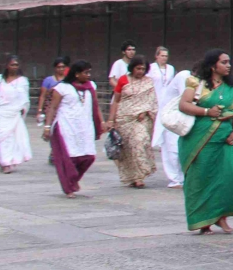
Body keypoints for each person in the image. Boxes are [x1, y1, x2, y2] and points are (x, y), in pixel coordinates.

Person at [177, 50, 233, 234]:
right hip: (200, 140)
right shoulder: (197, 83)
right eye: (224, 62)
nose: (228, 65)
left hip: (225, 139)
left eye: (229, 62)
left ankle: (221, 215)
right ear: (212, 66)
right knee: (202, 179)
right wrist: (207, 112)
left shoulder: (232, 88)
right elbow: (183, 105)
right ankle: (205, 221)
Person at [43, 60, 102, 197]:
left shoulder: (91, 87)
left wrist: (102, 122)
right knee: (69, 158)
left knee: (88, 157)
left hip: (85, 127)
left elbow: (96, 105)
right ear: (76, 74)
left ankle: (73, 180)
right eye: (86, 72)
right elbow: (53, 108)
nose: (89, 75)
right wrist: (47, 126)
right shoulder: (62, 88)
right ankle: (69, 187)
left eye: (89, 72)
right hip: (66, 127)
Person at [108, 56, 159, 188]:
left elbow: (152, 101)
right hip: (124, 119)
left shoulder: (148, 82)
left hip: (142, 119)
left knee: (139, 141)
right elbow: (116, 100)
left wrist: (144, 111)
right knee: (128, 148)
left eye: (143, 69)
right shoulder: (123, 80)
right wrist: (111, 120)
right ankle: (134, 177)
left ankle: (140, 175)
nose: (140, 71)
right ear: (132, 68)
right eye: (138, 68)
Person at [0, 55, 32, 173]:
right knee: (1, 137)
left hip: (14, 113)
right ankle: (5, 162)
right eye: (12, 65)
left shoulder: (22, 81)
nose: (14, 67)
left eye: (16, 65)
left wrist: (22, 109)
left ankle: (7, 161)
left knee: (11, 138)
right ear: (7, 66)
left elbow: (25, 99)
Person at [148, 47, 184, 189]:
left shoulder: (171, 69)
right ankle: (174, 177)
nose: (164, 58)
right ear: (156, 56)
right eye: (162, 55)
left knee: (172, 144)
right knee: (166, 142)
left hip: (169, 105)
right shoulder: (151, 68)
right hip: (156, 100)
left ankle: (178, 177)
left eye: (166, 56)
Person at [37, 56, 70, 129]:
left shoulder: (69, 80)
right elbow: (43, 96)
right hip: (51, 108)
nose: (61, 69)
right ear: (55, 68)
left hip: (64, 108)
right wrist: (39, 111)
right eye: (59, 67)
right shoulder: (48, 80)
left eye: (63, 67)